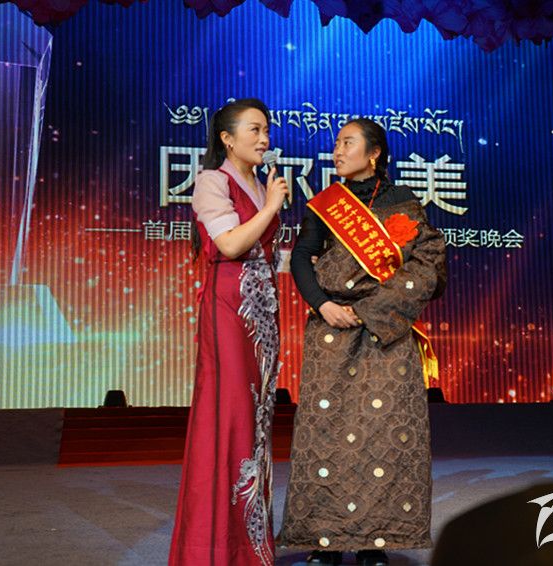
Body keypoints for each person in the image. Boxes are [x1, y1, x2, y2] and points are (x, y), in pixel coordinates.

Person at [277, 118, 447, 566]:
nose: (337, 150)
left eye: (347, 143)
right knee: (326, 435)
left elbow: (427, 265)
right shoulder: (325, 203)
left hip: (386, 329)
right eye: (336, 143)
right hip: (332, 329)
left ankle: (376, 542)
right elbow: (302, 257)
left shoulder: (402, 201)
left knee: (383, 435)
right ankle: (325, 541)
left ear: (374, 153)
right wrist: (321, 305)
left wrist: (373, 310)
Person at [169, 98, 288, 566]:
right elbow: (232, 243)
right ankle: (216, 547)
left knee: (257, 422)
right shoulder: (212, 181)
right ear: (227, 138)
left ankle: (250, 545)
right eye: (254, 130)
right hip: (229, 310)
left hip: (263, 313)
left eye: (266, 130)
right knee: (230, 418)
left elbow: (267, 252)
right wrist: (273, 206)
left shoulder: (258, 182)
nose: (264, 138)